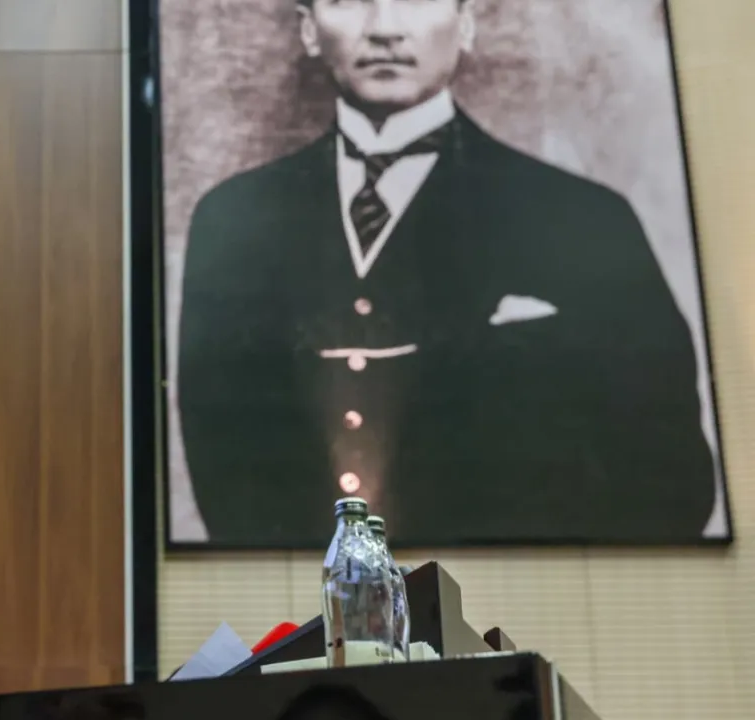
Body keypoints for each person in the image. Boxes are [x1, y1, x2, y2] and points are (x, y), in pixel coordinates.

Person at [176, 0, 717, 547]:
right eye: (351, 1)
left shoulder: (583, 217)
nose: (384, 29)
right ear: (309, 30)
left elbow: (670, 479)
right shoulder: (234, 219)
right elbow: (222, 458)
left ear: (466, 25)